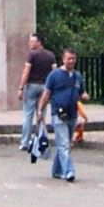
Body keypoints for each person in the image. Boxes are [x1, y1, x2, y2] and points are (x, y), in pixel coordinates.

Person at [43, 49, 83, 183]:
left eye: (73, 58)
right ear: (63, 59)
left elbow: (81, 92)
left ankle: (57, 170)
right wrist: (40, 111)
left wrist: (84, 96)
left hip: (72, 113)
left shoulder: (77, 76)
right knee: (65, 144)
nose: (71, 61)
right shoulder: (54, 75)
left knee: (63, 144)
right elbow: (46, 93)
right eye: (69, 58)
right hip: (58, 114)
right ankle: (69, 171)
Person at [17, 33, 53, 160]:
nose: (30, 44)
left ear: (39, 42)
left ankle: (25, 142)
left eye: (32, 41)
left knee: (28, 114)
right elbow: (54, 71)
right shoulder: (50, 55)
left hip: (32, 85)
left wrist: (21, 87)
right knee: (41, 114)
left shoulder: (32, 55)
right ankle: (40, 139)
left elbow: (26, 72)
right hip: (45, 87)